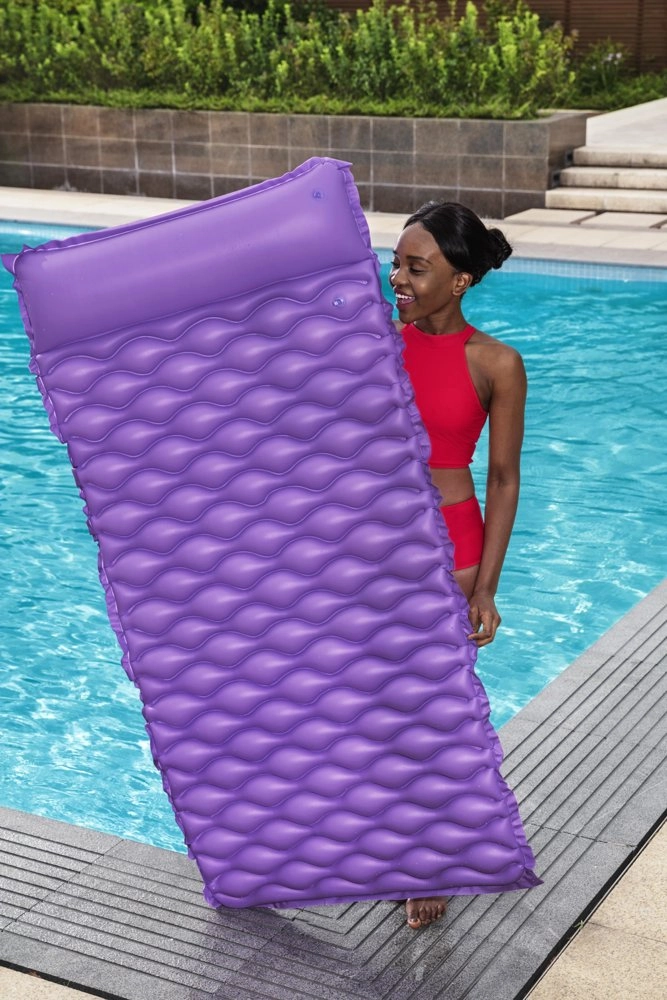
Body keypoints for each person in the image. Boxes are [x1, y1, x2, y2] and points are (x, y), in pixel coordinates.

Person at [389, 201, 527, 930]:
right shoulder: (376, 345)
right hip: (374, 546)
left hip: (449, 551)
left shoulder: (495, 364)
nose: (398, 278)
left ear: (460, 279)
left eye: (416, 267)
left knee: (430, 712)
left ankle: (429, 858)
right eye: (395, 264)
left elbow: (502, 479)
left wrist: (488, 588)